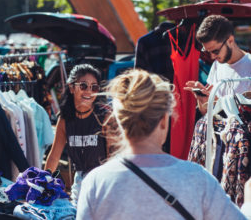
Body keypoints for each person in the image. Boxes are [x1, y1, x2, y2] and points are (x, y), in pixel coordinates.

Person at [76, 69, 250, 220]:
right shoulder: (197, 179)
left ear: (119, 122)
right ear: (163, 120)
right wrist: (248, 200)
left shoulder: (95, 183)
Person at [44, 63, 110, 207]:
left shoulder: (104, 116)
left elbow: (113, 156)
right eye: (84, 86)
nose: (89, 92)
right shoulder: (65, 120)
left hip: (103, 182)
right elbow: (54, 156)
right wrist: (43, 181)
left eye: (94, 87)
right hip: (80, 182)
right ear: (72, 87)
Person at [184, 15, 251, 115]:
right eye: (207, 52)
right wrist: (203, 100)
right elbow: (206, 114)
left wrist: (218, 102)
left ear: (230, 40)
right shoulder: (217, 64)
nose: (212, 57)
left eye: (215, 51)